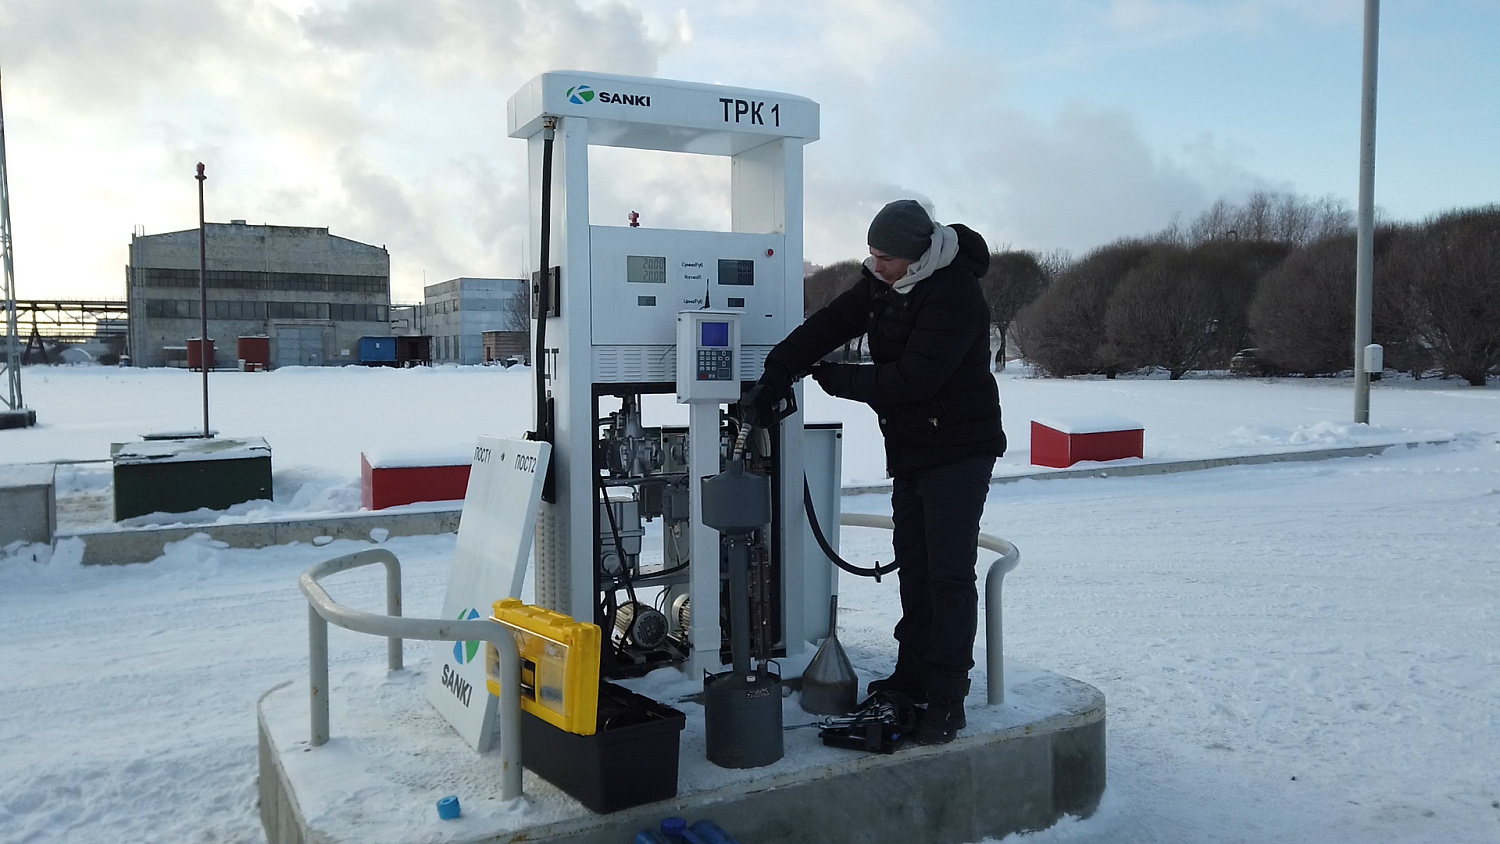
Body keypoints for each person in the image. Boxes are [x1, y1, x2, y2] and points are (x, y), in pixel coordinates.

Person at [743, 199, 1006, 744]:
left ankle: (947, 697)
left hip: (959, 449)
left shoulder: (955, 292)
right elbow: (830, 323)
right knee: (914, 566)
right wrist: (781, 368)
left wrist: (833, 379)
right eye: (871, 253)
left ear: (917, 256)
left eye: (884, 257)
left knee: (948, 574)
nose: (874, 265)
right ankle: (911, 676)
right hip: (914, 448)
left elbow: (913, 381)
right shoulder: (883, 282)